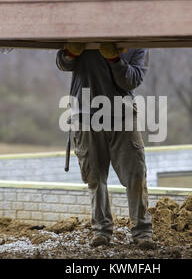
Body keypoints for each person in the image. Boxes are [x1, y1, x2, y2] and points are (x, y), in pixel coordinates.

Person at [56, 43, 155, 249]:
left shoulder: (136, 44)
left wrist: (114, 60)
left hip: (123, 117)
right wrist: (70, 53)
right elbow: (63, 63)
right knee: (95, 177)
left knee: (136, 175)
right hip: (85, 116)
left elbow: (131, 80)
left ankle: (142, 232)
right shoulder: (84, 36)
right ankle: (101, 231)